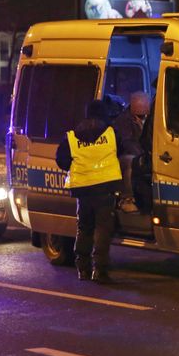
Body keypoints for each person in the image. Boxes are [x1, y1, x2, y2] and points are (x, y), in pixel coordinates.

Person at [56, 100, 124, 284]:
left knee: (84, 228)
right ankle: (99, 270)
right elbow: (123, 151)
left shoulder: (72, 136)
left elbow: (61, 160)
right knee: (103, 228)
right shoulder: (111, 133)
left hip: (83, 189)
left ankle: (83, 269)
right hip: (105, 187)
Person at [111, 91, 150, 213]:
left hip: (143, 154)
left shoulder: (149, 118)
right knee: (130, 161)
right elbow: (128, 143)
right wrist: (143, 157)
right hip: (126, 156)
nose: (144, 119)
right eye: (141, 116)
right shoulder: (123, 121)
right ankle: (128, 199)